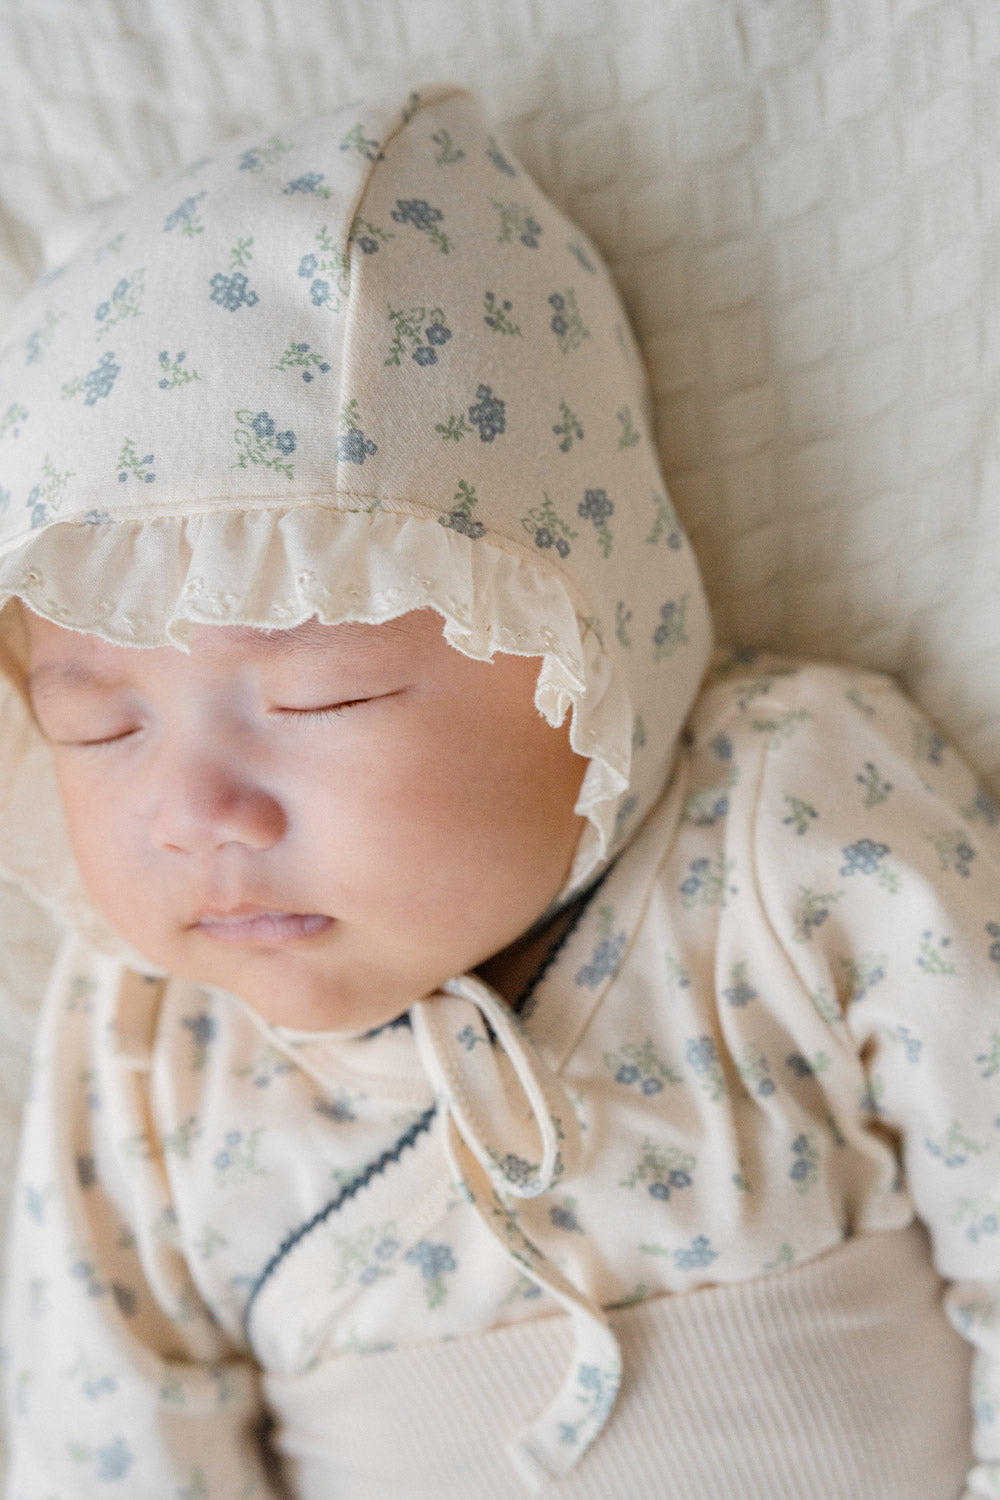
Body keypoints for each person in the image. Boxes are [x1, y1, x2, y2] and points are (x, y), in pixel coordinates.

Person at [0, 81, 996, 1500]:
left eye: (316, 698)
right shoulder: (151, 1051)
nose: (196, 810)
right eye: (95, 728)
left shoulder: (792, 833)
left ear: (578, 645)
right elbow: (107, 1442)